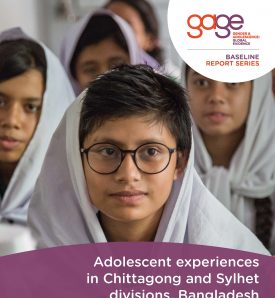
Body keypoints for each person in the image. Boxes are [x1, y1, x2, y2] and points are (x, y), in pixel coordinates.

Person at [28, 64, 268, 254]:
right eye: (108, 151)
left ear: (180, 163)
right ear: (75, 159)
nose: (128, 174)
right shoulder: (35, 261)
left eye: (150, 152)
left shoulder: (235, 265)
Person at [183, 64, 275, 253]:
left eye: (233, 82)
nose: (216, 96)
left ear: (259, 89)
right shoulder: (165, 168)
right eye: (201, 82)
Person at [0, 27, 74, 250]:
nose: (12, 120)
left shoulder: (74, 206)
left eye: (31, 107)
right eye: (0, 102)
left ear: (52, 115)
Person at [60, 9, 159, 95]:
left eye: (117, 65)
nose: (104, 77)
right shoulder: (63, 115)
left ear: (134, 62)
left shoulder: (158, 113)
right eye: (91, 70)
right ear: (73, 76)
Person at [104, 0, 181, 79]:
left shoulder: (175, 83)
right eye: (108, 25)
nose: (112, 37)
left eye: (127, 27)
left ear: (150, 40)